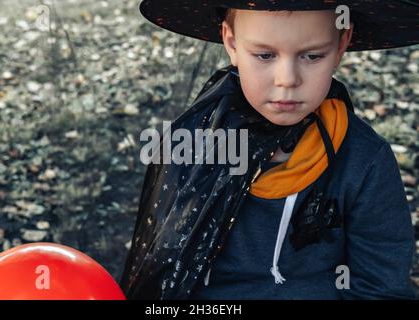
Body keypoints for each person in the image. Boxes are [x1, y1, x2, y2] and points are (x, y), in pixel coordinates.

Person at [120, 0, 419, 299]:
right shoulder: (193, 144)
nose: (287, 79)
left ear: (342, 43)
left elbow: (381, 288)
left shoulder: (365, 161)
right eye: (264, 55)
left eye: (312, 56)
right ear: (232, 42)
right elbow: (164, 269)